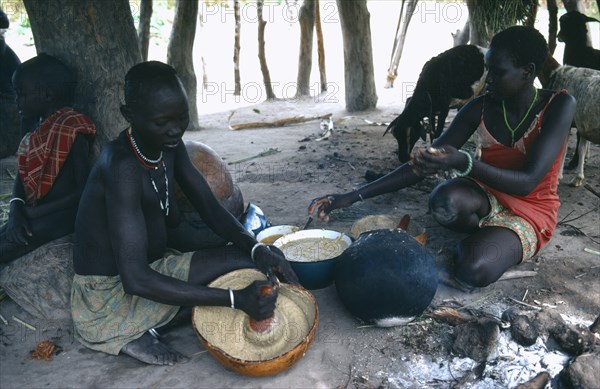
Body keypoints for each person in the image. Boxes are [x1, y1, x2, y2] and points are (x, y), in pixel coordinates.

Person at [308, 26, 576, 289]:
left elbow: (527, 182)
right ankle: (491, 236)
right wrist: (351, 197)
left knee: (473, 270)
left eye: (498, 72)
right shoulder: (479, 107)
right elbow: (421, 165)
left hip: (532, 210)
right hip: (486, 197)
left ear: (527, 72)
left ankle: (493, 240)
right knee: (443, 201)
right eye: (488, 69)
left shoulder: (559, 105)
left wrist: (465, 162)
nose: (488, 80)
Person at [71, 61, 298, 366]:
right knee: (234, 281)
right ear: (129, 116)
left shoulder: (168, 144)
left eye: (181, 117)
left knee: (251, 261)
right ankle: (126, 332)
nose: (175, 129)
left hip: (152, 264)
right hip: (110, 297)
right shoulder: (122, 167)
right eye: (162, 121)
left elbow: (208, 207)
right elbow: (135, 280)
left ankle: (167, 317)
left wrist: (255, 246)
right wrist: (235, 300)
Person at [1, 53, 96, 263]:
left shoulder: (71, 129)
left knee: (7, 246)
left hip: (62, 216)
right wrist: (16, 208)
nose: (16, 100)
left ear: (47, 95)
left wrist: (35, 213)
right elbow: (22, 174)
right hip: (33, 211)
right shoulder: (35, 128)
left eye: (21, 94)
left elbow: (85, 190)